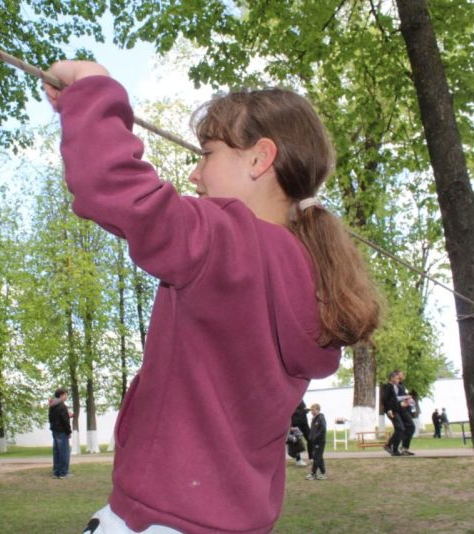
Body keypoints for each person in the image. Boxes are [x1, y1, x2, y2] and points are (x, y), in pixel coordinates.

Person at [45, 60, 380, 534]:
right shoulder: (311, 271)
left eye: (206, 154)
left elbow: (112, 186)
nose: (195, 174)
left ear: (260, 159)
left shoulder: (231, 243)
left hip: (160, 520)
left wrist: (92, 86)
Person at [382, 370, 416, 456]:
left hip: (398, 409)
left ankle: (396, 448)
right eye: (397, 378)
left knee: (405, 428)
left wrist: (407, 401)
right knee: (400, 429)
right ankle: (391, 447)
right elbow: (385, 400)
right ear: (392, 378)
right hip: (393, 410)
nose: (399, 379)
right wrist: (389, 409)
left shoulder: (397, 386)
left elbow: (397, 398)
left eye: (399, 378)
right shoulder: (388, 387)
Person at [48, 388, 72, 479]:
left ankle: (56, 472)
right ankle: (63, 473)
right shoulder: (62, 406)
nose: (66, 396)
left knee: (57, 452)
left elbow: (51, 418)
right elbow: (65, 421)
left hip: (55, 431)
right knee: (64, 452)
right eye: (66, 394)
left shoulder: (52, 405)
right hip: (62, 432)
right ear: (61, 395)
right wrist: (69, 432)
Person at [306, 404, 327, 480]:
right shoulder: (313, 419)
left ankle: (313, 473)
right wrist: (310, 437)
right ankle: (323, 473)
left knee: (316, 457)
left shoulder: (321, 418)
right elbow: (313, 430)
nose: (312, 412)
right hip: (314, 442)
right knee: (319, 457)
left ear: (318, 410)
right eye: (311, 410)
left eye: (314, 410)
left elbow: (323, 430)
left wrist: (316, 437)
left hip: (320, 441)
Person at [291, 401, 311, 465]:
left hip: (304, 422)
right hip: (295, 423)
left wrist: (306, 410)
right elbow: (290, 411)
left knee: (310, 439)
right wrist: (303, 411)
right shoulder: (291, 399)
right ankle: (298, 459)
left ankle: (311, 457)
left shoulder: (301, 400)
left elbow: (303, 409)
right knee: (297, 441)